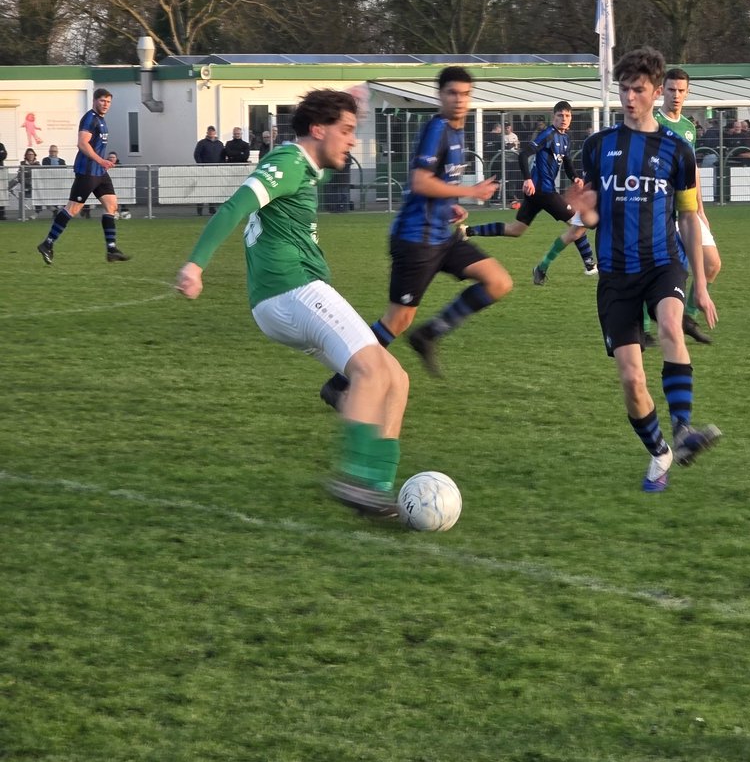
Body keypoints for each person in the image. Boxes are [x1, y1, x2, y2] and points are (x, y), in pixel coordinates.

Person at [175, 89, 409, 519]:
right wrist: (195, 264)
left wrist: (346, 99)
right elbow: (233, 207)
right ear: (318, 130)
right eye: (347, 130)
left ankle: (377, 488)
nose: (353, 140)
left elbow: (308, 158)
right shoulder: (287, 163)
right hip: (291, 289)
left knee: (396, 378)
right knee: (372, 371)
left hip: (286, 297)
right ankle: (353, 478)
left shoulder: (304, 163)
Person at [572, 46, 721, 493]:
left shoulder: (677, 151)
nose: (629, 97)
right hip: (616, 273)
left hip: (662, 262)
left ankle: (683, 429)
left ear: (657, 92)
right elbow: (591, 212)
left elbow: (690, 218)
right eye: (624, 88)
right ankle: (660, 454)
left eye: (638, 89)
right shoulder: (598, 147)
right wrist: (581, 210)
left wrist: (700, 286)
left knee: (672, 326)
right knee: (632, 379)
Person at [319, 67, 509, 411]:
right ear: (440, 95)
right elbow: (420, 182)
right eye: (452, 93)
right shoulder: (436, 129)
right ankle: (338, 385)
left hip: (443, 236)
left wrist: (450, 206)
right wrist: (469, 192)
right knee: (397, 320)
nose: (460, 100)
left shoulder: (458, 131)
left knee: (497, 281)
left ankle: (431, 333)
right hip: (416, 241)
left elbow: (435, 185)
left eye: (465, 93)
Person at [463, 100, 597, 280]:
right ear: (553, 117)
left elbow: (566, 162)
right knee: (579, 223)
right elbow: (524, 154)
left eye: (567, 116)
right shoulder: (548, 134)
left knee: (516, 229)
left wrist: (575, 177)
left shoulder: (565, 138)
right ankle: (588, 264)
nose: (564, 119)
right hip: (544, 191)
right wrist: (528, 179)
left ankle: (468, 231)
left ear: (571, 118)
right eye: (560, 116)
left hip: (537, 193)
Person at [653, 67, 721, 345]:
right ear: (661, 91)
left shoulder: (689, 128)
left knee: (712, 265)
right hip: (661, 210)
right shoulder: (653, 123)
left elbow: (692, 171)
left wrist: (701, 210)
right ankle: (643, 326)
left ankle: (687, 318)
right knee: (660, 270)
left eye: (681, 90)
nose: (676, 95)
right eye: (671, 89)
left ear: (687, 92)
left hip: (688, 209)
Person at [35, 89, 130, 264]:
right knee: (73, 209)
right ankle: (47, 244)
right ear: (94, 101)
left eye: (108, 102)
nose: (105, 104)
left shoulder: (101, 119)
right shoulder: (90, 118)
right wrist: (101, 160)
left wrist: (102, 163)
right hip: (87, 172)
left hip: (100, 173)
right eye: (102, 101)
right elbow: (82, 143)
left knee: (112, 205)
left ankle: (111, 249)